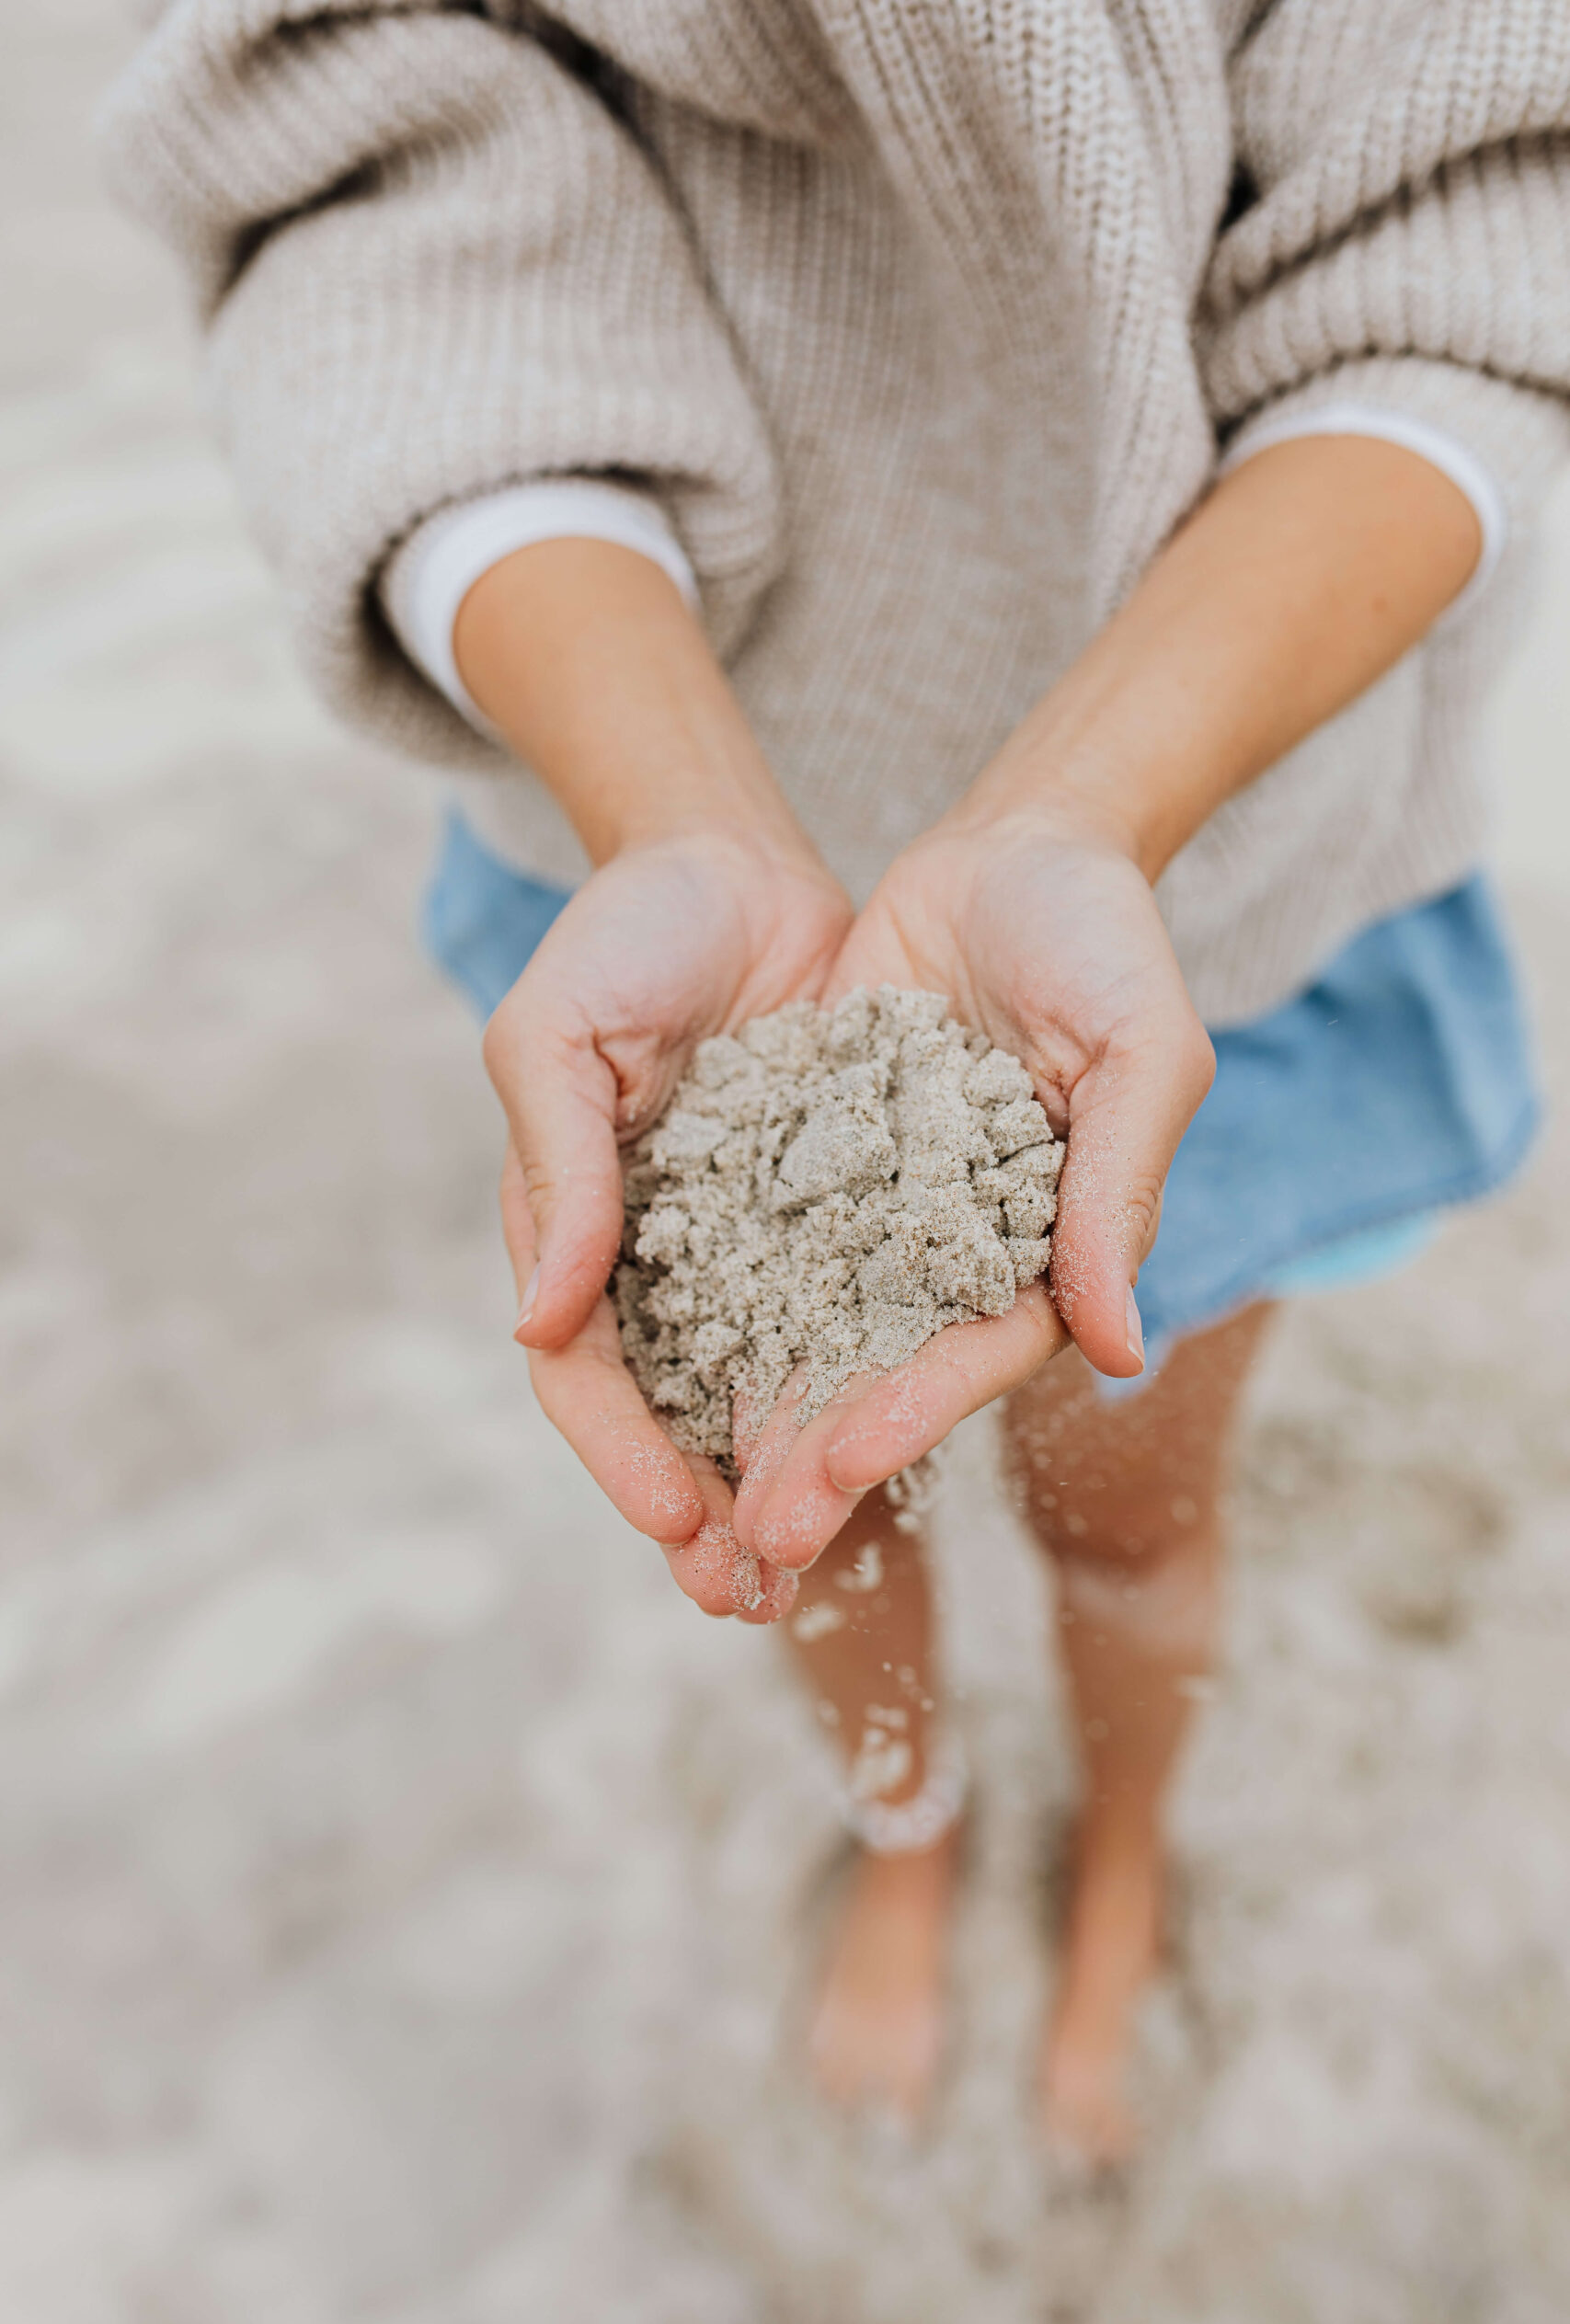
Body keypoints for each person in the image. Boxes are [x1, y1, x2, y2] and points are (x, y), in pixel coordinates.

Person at [104, 3, 1569, 2160]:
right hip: (657, 834)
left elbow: (1463, 212)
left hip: (1209, 861)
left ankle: (1119, 1852)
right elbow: (366, 141)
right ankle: (909, 1815)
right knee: (799, 1508)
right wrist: (676, 813)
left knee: (1130, 1512)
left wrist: (1076, 815)